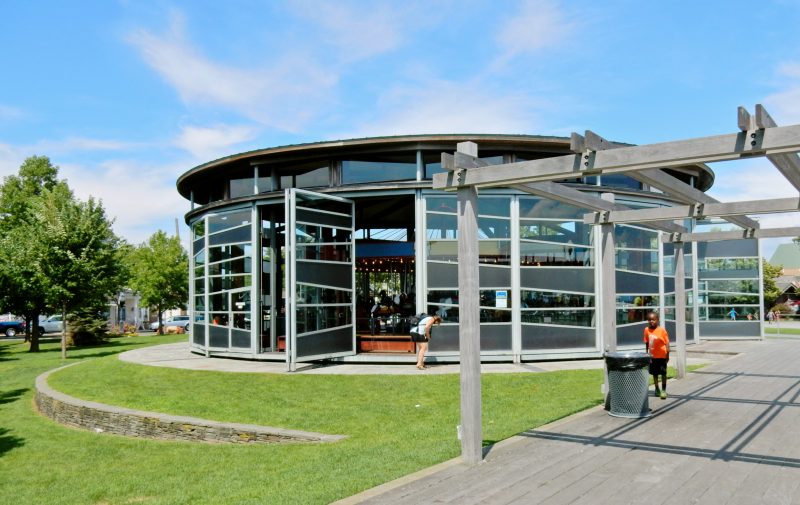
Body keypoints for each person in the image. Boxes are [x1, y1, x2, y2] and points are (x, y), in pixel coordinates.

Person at [644, 311, 670, 400]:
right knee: (654, 373)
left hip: (662, 355)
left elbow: (667, 342)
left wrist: (668, 354)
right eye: (649, 320)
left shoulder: (662, 330)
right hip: (652, 356)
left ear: (657, 320)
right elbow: (647, 342)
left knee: (663, 373)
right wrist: (647, 354)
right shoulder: (646, 330)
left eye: (653, 320)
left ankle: (663, 390)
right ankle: (656, 389)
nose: (651, 321)